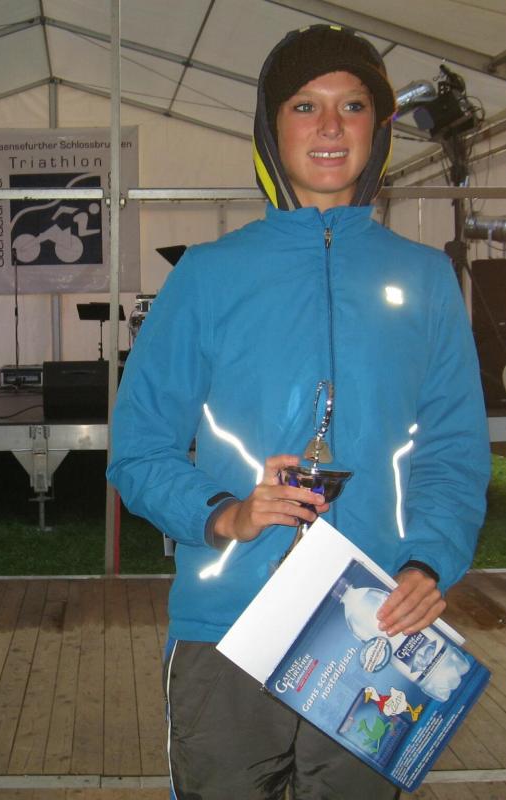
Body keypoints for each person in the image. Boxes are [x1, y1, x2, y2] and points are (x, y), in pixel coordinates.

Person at [107, 24, 490, 800]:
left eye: (352, 106)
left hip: (374, 630)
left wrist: (426, 563)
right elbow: (138, 448)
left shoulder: (424, 280)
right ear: (269, 126)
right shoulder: (207, 277)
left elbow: (451, 450)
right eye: (305, 106)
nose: (329, 127)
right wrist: (225, 514)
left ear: (377, 130)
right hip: (228, 628)